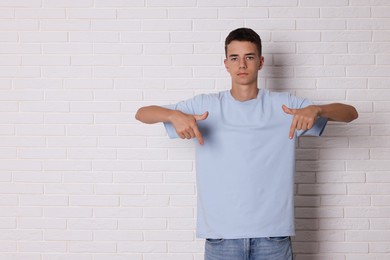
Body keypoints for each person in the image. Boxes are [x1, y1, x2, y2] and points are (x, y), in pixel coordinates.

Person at [135, 28, 358, 260]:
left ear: (260, 62)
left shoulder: (285, 106)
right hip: (221, 238)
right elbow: (142, 114)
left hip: (273, 237)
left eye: (249, 57)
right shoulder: (205, 105)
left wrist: (317, 109)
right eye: (235, 58)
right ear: (226, 64)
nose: (242, 64)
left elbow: (351, 113)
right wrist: (172, 116)